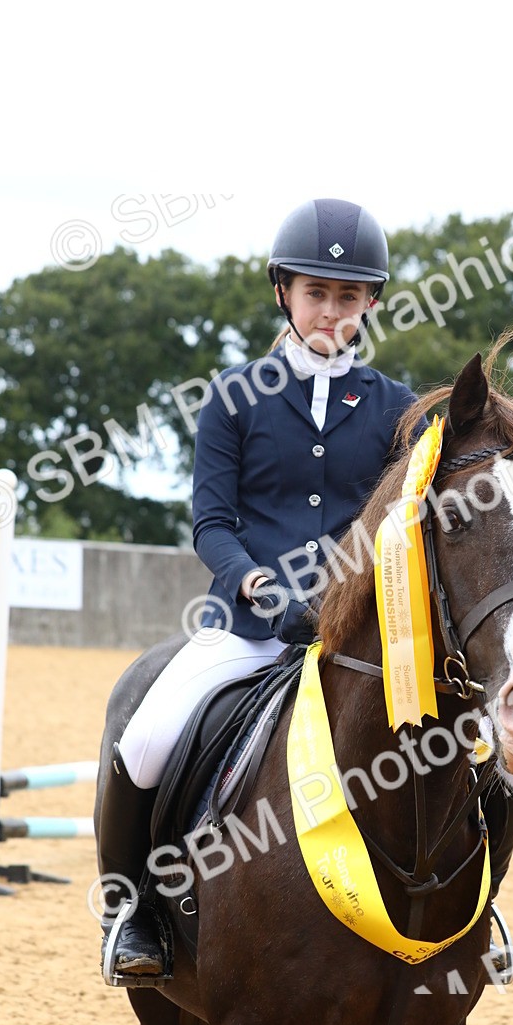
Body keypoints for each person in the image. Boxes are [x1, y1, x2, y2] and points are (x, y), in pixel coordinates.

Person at [98, 198, 421, 978]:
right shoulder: (232, 395)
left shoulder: (397, 408)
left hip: (354, 638)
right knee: (145, 738)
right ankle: (131, 911)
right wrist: (261, 589)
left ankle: (470, 908)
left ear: (372, 302)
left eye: (348, 296)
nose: (331, 310)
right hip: (247, 626)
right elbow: (211, 522)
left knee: (456, 741)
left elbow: (403, 524)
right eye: (316, 292)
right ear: (284, 292)